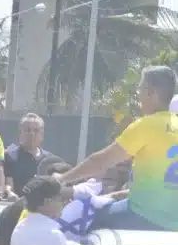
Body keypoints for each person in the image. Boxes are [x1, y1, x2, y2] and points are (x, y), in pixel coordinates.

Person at [57, 65, 178, 231]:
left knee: (81, 216)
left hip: (141, 216)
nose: (138, 95)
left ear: (151, 93)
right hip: (173, 224)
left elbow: (100, 162)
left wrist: (62, 179)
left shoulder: (145, 125)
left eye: (140, 89)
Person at [4, 113, 52, 199]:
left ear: (42, 134)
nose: (32, 134)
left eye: (36, 130)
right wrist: (9, 192)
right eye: (27, 130)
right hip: (18, 205)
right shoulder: (10, 156)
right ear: (20, 133)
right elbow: (8, 184)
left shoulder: (49, 159)